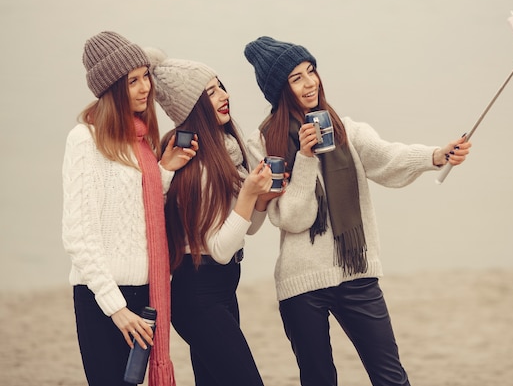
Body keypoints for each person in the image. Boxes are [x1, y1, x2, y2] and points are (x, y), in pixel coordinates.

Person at [243, 36, 472, 386]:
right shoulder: (264, 145)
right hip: (301, 284)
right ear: (281, 89)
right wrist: (304, 158)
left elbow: (388, 158)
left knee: (390, 377)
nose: (310, 83)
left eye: (311, 71)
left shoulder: (346, 130)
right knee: (319, 380)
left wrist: (435, 156)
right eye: (297, 78)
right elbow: (291, 218)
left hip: (357, 273)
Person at [62, 32, 196, 385]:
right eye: (132, 81)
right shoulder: (84, 140)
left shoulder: (140, 139)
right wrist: (116, 309)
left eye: (145, 77)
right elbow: (78, 235)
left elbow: (138, 211)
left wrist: (164, 170)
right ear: (111, 88)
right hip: (102, 298)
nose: (144, 88)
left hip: (145, 294)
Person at [144, 47, 277, 386]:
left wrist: (261, 200)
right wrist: (249, 193)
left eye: (221, 86)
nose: (224, 96)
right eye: (211, 92)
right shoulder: (197, 163)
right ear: (191, 108)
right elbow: (218, 249)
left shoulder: (228, 150)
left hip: (222, 290)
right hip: (197, 294)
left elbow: (247, 230)